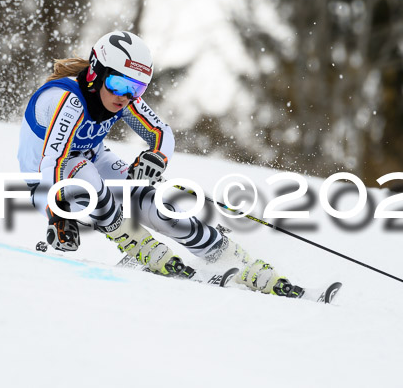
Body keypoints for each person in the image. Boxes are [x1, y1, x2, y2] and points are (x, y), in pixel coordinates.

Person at [18, 30, 301, 298]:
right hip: (47, 179)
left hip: (90, 159)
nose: (124, 96)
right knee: (86, 176)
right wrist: (55, 214)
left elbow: (161, 133)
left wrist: (156, 158)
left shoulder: (124, 100)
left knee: (152, 203)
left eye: (136, 88)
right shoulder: (68, 100)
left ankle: (229, 256)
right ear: (95, 72)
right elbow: (53, 162)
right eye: (117, 83)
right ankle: (135, 242)